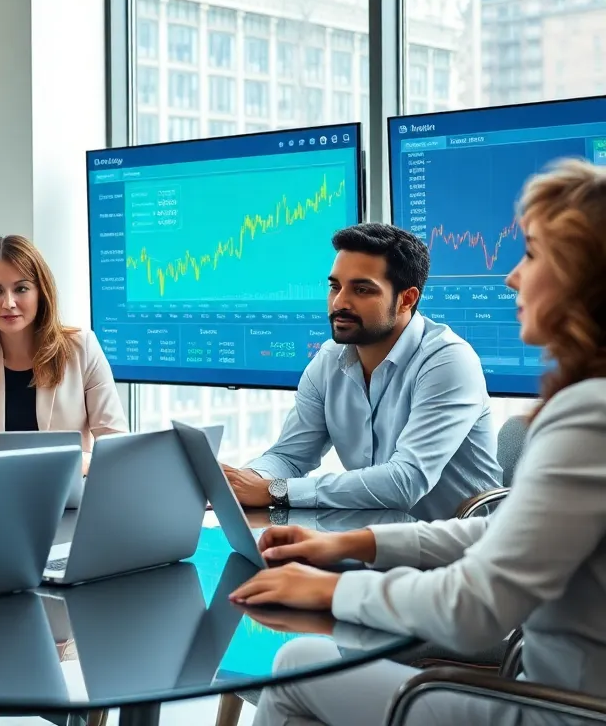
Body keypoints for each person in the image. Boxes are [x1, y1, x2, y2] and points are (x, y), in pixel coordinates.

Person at [230, 159, 606, 726]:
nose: (511, 276)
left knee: (295, 663)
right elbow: (502, 528)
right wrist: (346, 541)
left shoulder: (585, 414)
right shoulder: (330, 361)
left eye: (530, 254)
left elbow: (476, 606)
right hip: (547, 676)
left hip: (558, 706)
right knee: (298, 646)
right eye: (335, 286)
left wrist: (329, 591)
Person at [221, 223, 501, 521]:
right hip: (376, 540)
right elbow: (288, 457)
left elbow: (405, 482)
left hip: (462, 551)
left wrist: (274, 491)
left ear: (406, 299)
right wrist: (242, 480)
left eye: (362, 289)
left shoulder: (448, 361)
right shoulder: (329, 360)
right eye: (334, 287)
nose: (340, 302)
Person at [0, 235, 127, 473]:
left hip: (67, 498)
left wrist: (45, 464)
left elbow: (117, 446)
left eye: (21, 288)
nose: (8, 303)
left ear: (41, 293)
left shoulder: (81, 349)